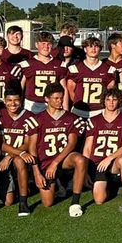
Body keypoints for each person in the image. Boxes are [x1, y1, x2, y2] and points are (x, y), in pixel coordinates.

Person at [28, 83, 87, 215]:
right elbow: (32, 148)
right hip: (45, 162)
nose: (60, 101)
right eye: (56, 98)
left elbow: (72, 143)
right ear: (46, 99)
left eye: (61, 98)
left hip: (63, 159)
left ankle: (75, 203)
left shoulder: (71, 118)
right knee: (48, 203)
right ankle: (59, 184)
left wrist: (55, 163)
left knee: (80, 160)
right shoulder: (37, 119)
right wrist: (37, 173)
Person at [80, 87, 122, 211]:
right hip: (98, 163)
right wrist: (85, 171)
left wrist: (109, 158)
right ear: (103, 101)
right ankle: (113, 185)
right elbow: (87, 148)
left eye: (114, 100)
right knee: (99, 200)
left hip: (113, 161)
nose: (111, 102)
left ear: (119, 101)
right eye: (108, 99)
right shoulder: (94, 120)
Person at [0, 83, 39, 216]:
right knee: (8, 202)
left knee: (19, 161)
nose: (13, 104)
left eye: (16, 100)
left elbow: (28, 142)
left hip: (19, 157)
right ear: (4, 101)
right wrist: (12, 155)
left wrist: (11, 156)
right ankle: (0, 185)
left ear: (21, 100)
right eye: (9, 100)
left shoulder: (29, 116)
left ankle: (23, 202)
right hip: (3, 158)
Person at [17, 32, 70, 115]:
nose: (46, 46)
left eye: (49, 44)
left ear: (52, 45)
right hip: (31, 105)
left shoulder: (60, 64)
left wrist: (66, 110)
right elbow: (20, 87)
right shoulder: (26, 64)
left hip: (53, 104)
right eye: (43, 43)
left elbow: (64, 88)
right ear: (36, 44)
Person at [65, 36, 117, 118]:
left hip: (99, 111)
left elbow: (110, 91)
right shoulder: (75, 68)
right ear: (85, 49)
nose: (93, 49)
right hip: (79, 111)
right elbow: (70, 90)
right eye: (90, 46)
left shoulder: (109, 70)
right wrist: (78, 103)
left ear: (100, 49)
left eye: (96, 46)